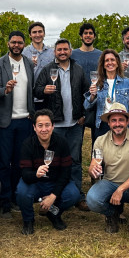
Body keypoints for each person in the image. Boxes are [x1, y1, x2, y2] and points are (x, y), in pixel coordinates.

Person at [33, 39, 88, 205]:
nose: (62, 52)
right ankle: (51, 193)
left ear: (70, 51)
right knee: (52, 160)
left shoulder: (78, 70)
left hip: (74, 124)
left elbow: (86, 94)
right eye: (59, 50)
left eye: (65, 49)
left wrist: (83, 114)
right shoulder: (47, 69)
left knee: (75, 160)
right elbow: (36, 90)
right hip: (55, 124)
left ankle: (76, 194)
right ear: (55, 52)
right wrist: (43, 90)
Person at [86, 104, 129, 239]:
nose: (117, 124)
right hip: (110, 183)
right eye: (113, 120)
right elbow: (93, 166)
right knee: (92, 199)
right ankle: (111, 214)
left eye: (121, 120)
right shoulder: (100, 140)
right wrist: (93, 170)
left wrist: (120, 190)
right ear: (109, 123)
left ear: (127, 121)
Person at [0, 31, 36, 217]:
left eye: (20, 42)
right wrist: (6, 90)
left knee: (20, 162)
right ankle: (4, 201)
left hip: (25, 119)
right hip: (4, 122)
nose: (16, 45)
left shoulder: (28, 63)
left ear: (24, 44)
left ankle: (17, 197)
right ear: (8, 43)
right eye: (13, 42)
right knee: (3, 162)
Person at [16, 110, 81, 234]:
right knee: (22, 192)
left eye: (47, 125)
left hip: (55, 182)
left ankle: (53, 213)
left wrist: (53, 196)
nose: (44, 129)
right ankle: (28, 220)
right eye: (40, 126)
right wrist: (35, 174)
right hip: (35, 183)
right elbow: (25, 174)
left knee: (73, 194)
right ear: (34, 127)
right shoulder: (27, 144)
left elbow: (66, 173)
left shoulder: (61, 143)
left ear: (53, 126)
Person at [85, 49, 129, 138]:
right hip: (102, 125)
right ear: (103, 65)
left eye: (112, 60)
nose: (110, 62)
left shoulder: (127, 82)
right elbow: (86, 106)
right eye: (107, 60)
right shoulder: (97, 83)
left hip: (121, 125)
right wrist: (93, 95)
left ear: (117, 63)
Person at [71, 22, 102, 145]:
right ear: (81, 36)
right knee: (77, 139)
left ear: (94, 36)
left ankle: (96, 163)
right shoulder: (73, 54)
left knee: (98, 139)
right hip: (78, 99)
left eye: (90, 33)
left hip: (97, 99)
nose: (88, 35)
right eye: (85, 33)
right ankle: (76, 163)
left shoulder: (101, 55)